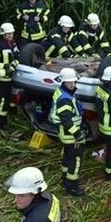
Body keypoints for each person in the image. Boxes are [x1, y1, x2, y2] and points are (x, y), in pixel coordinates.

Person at [48, 68, 86, 196]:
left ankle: (65, 180)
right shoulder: (65, 99)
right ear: (63, 82)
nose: (72, 85)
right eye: (69, 83)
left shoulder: (61, 91)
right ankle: (72, 187)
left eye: (73, 82)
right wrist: (78, 135)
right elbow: (67, 121)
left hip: (64, 133)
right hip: (70, 134)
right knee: (76, 160)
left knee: (67, 157)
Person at [0, 23, 20, 131]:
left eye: (11, 33)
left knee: (13, 97)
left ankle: (12, 116)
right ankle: (1, 123)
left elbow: (17, 55)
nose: (10, 35)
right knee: (4, 100)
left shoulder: (13, 43)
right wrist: (5, 68)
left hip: (13, 76)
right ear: (3, 34)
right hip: (3, 78)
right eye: (8, 33)